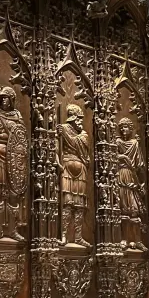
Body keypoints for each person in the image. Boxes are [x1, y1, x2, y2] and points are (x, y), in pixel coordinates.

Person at [0, 86, 27, 241]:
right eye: (2, 98)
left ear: (12, 100)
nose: (4, 100)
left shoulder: (17, 116)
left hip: (14, 158)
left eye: (6, 98)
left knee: (13, 194)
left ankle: (13, 229)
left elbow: (21, 138)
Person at [59, 104, 92, 247]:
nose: (80, 121)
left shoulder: (83, 134)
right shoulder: (63, 128)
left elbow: (77, 143)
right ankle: (64, 235)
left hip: (81, 169)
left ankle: (78, 236)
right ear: (72, 118)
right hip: (66, 167)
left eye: (81, 119)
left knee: (79, 205)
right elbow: (56, 147)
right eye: (78, 118)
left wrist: (64, 135)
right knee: (67, 203)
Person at [115, 118, 145, 250]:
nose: (123, 129)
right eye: (121, 127)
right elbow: (110, 156)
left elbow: (140, 164)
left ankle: (137, 240)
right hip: (121, 175)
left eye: (126, 127)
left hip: (132, 177)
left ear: (131, 128)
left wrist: (141, 183)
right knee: (123, 209)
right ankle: (125, 239)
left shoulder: (135, 143)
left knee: (134, 210)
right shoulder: (117, 142)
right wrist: (122, 157)